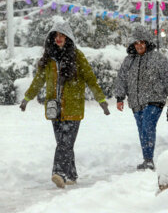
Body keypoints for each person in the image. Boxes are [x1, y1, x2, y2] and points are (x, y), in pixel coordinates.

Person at [19, 21, 110, 188]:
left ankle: (59, 172)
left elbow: (91, 79)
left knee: (65, 143)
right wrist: (27, 98)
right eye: (56, 35)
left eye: (62, 35)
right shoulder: (48, 58)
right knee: (64, 143)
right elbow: (38, 81)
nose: (58, 38)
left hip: (73, 107)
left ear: (68, 38)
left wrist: (102, 100)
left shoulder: (77, 56)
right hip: (55, 108)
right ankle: (71, 174)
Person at [115, 24, 168, 170]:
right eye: (136, 43)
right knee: (142, 130)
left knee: (147, 126)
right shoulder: (129, 61)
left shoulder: (158, 58)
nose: (139, 46)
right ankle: (146, 159)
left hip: (155, 99)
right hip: (136, 101)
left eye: (142, 42)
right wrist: (119, 97)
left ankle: (149, 160)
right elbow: (121, 79)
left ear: (147, 42)